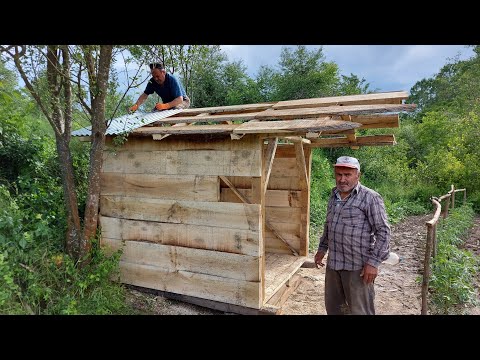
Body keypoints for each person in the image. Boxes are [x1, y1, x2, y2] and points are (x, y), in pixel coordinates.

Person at [314, 156, 391, 315]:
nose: (342, 179)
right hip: (334, 265)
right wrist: (322, 249)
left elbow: (383, 231)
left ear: (358, 175)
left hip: (358, 268)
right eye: (339, 174)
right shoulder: (333, 194)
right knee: (335, 309)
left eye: (347, 175)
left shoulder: (370, 197)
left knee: (360, 311)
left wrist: (374, 262)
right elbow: (329, 225)